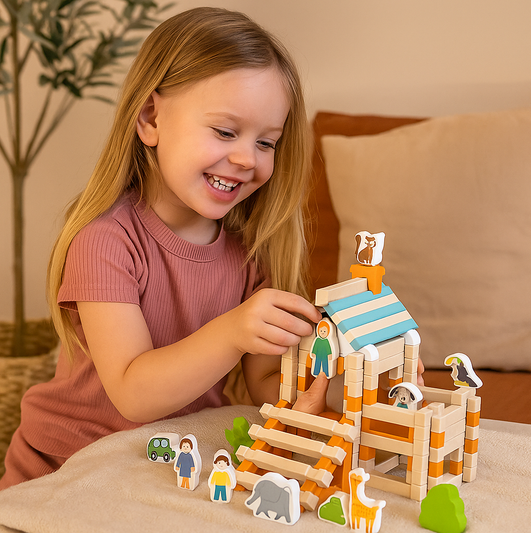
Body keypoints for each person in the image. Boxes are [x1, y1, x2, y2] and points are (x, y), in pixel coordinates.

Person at [0, 7, 327, 490]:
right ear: (151, 118)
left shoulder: (252, 253)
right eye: (225, 131)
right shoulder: (105, 240)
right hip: (65, 472)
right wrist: (234, 331)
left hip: (167, 467)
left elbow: (266, 383)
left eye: (267, 142)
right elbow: (133, 393)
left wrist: (349, 378)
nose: (246, 158)